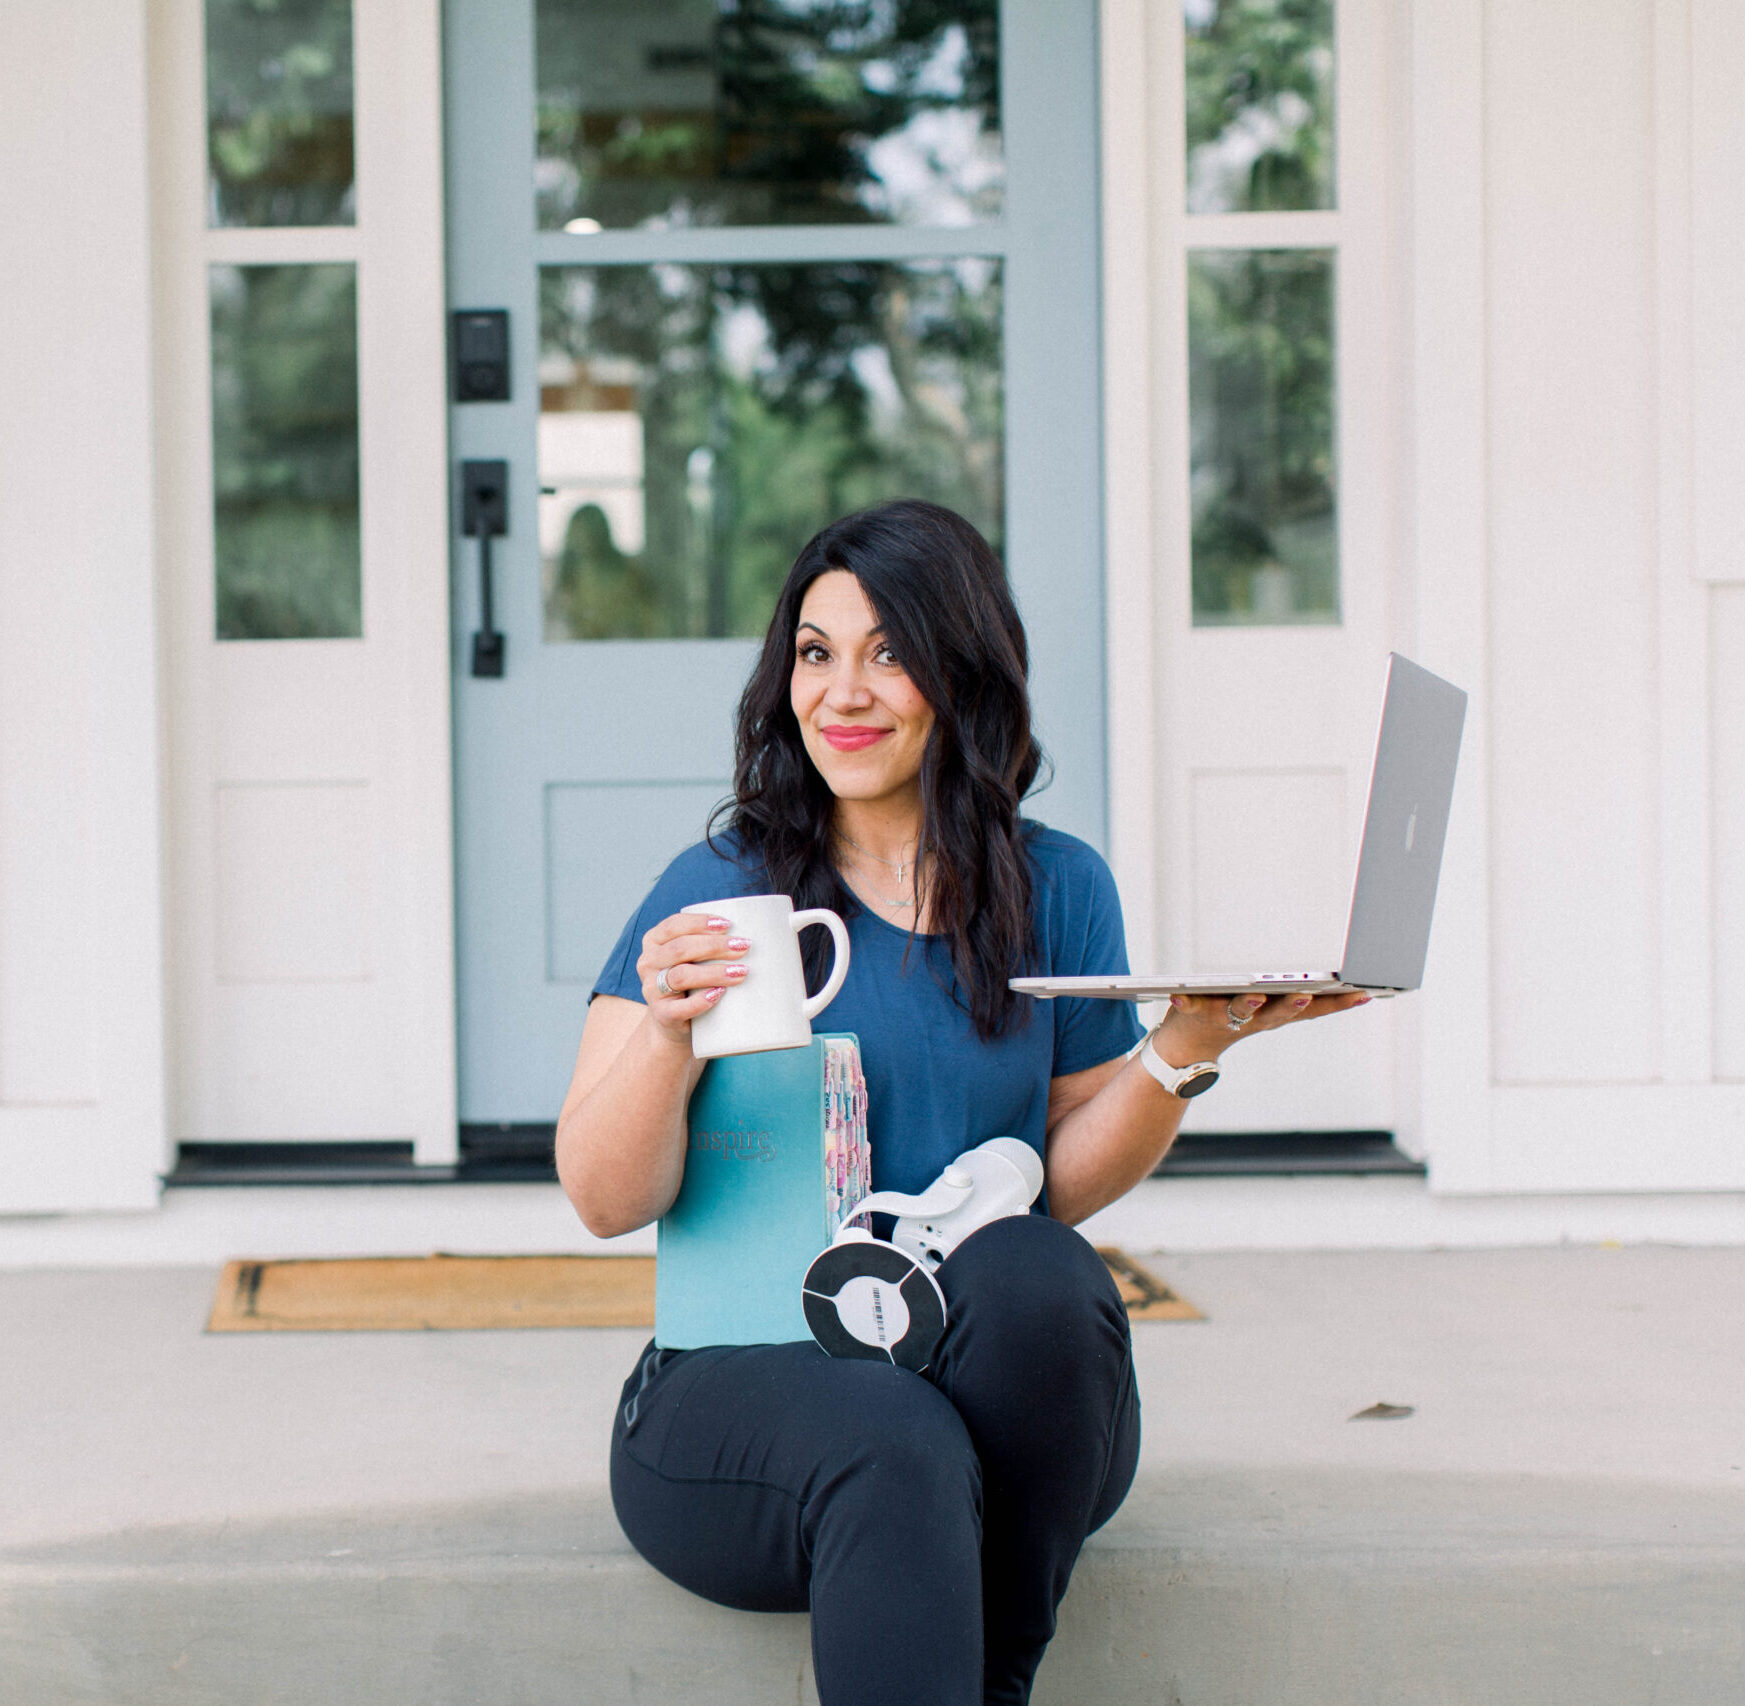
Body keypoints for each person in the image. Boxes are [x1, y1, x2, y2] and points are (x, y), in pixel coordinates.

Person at [555, 499, 1368, 1706]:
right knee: (893, 1436)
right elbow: (603, 1197)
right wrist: (673, 1030)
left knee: (1043, 1273)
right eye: (816, 652)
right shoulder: (723, 888)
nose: (844, 690)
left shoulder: (1054, 885)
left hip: (971, 1381)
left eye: (891, 652)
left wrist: (1183, 1045)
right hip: (741, 1386)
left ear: (960, 670)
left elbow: (1061, 1170)